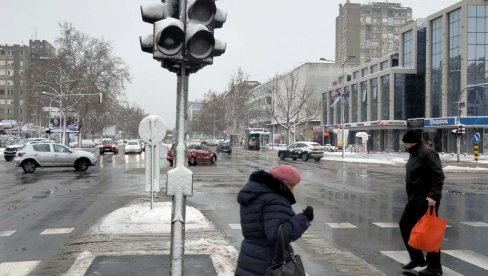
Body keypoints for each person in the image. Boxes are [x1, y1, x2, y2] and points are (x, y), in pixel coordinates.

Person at [235, 164, 313, 276]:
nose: (294, 190)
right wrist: (303, 219)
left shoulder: (257, 193)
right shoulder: (276, 199)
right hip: (266, 262)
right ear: (286, 184)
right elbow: (277, 235)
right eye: (293, 186)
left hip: (249, 256)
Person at [399, 130, 445, 276]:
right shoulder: (414, 153)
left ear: (412, 143)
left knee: (429, 232)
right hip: (415, 198)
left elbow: (438, 176)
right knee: (405, 226)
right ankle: (417, 258)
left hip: (426, 200)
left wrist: (433, 196)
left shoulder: (427, 153)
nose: (404, 146)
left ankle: (435, 267)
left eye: (405, 143)